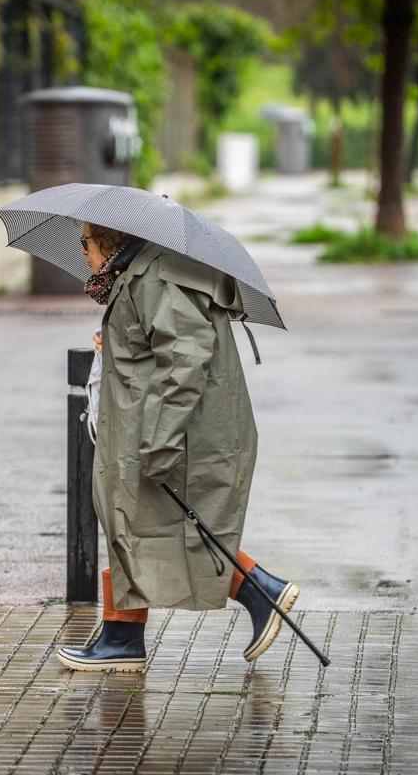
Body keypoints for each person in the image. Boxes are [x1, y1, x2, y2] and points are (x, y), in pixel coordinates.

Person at [56, 220, 298, 673]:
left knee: (166, 526)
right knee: (126, 520)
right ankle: (122, 634)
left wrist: (160, 444)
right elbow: (154, 349)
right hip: (149, 427)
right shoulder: (139, 275)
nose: (82, 251)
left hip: (174, 433)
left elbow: (185, 359)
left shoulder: (156, 278)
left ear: (109, 241)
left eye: (85, 242)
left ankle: (258, 589)